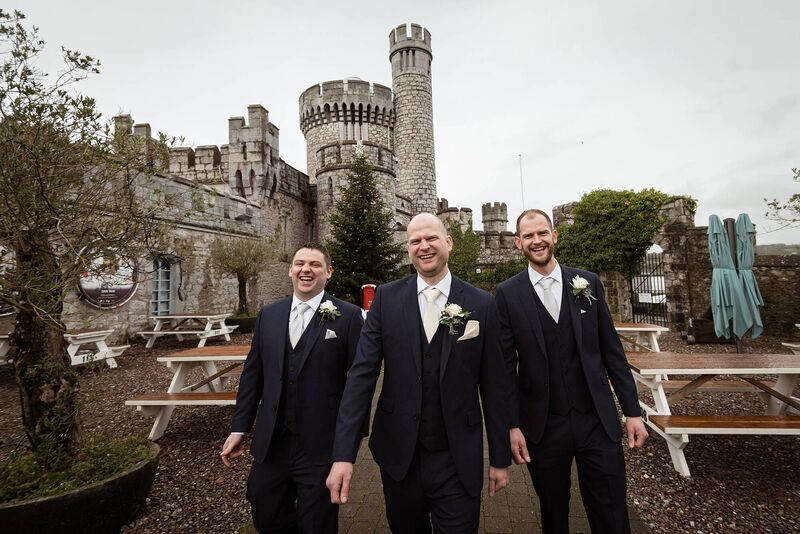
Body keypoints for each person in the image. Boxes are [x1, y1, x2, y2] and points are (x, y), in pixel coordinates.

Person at [326, 213, 511, 533]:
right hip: (399, 457)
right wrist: (343, 454)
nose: (423, 247)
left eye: (431, 238)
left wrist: (499, 456)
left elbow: (494, 386)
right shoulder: (386, 298)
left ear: (448, 243)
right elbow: (361, 376)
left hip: (457, 457)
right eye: (415, 241)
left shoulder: (481, 304)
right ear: (408, 248)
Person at [494, 209, 649, 534]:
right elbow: (505, 367)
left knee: (611, 512)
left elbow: (612, 352)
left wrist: (633, 412)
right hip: (543, 426)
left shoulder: (586, 282)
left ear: (554, 236)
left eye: (542, 233)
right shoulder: (508, 293)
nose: (537, 241)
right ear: (517, 242)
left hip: (596, 419)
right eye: (529, 236)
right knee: (553, 513)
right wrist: (511, 425)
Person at [220, 243, 363, 534]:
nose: (306, 269)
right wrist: (239, 427)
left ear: (329, 272)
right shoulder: (269, 315)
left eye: (314, 264)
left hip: (321, 447)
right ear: (290, 269)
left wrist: (346, 452)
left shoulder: (348, 317)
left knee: (317, 524)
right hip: (272, 442)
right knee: (266, 514)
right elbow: (253, 374)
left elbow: (359, 387)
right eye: (300, 263)